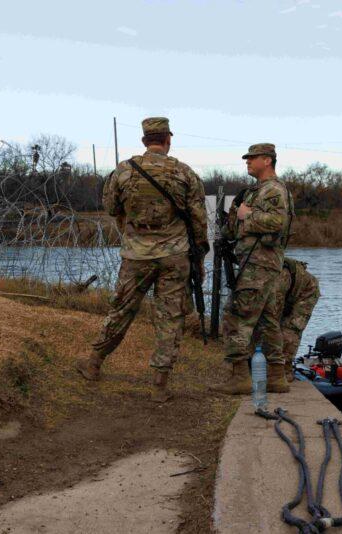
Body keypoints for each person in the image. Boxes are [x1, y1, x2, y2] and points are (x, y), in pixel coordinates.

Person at [76, 117, 209, 403]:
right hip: (175, 255)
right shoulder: (185, 173)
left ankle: (94, 363)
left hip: (137, 253)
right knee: (170, 317)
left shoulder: (124, 171)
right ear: (168, 139)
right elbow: (199, 219)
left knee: (121, 309)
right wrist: (199, 257)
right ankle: (159, 384)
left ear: (144, 140)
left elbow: (111, 207)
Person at [211, 143, 294, 395]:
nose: (247, 161)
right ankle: (277, 377)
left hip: (258, 265)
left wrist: (247, 216)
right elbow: (235, 228)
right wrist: (233, 219)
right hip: (259, 265)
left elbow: (277, 222)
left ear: (267, 160)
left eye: (252, 158)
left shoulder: (273, 190)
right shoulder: (255, 191)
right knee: (268, 321)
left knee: (236, 316)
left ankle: (240, 378)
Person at [274, 257, 320, 382]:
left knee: (291, 329)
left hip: (307, 292)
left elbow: (273, 317)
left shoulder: (278, 277)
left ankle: (285, 371)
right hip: (289, 292)